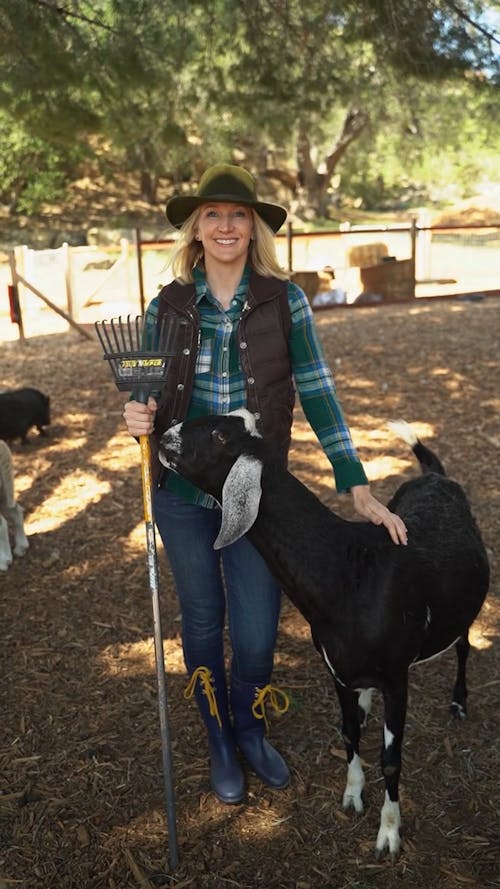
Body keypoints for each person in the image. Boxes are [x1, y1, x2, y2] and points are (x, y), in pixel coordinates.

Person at [123, 163, 407, 806]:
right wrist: (134, 415)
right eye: (214, 214)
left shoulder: (287, 301)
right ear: (197, 228)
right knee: (202, 621)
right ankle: (219, 735)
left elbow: (318, 391)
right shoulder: (164, 303)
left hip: (258, 496)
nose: (226, 225)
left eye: (239, 215)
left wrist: (355, 482)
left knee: (255, 628)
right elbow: (141, 388)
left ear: (254, 229)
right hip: (183, 495)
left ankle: (250, 726)